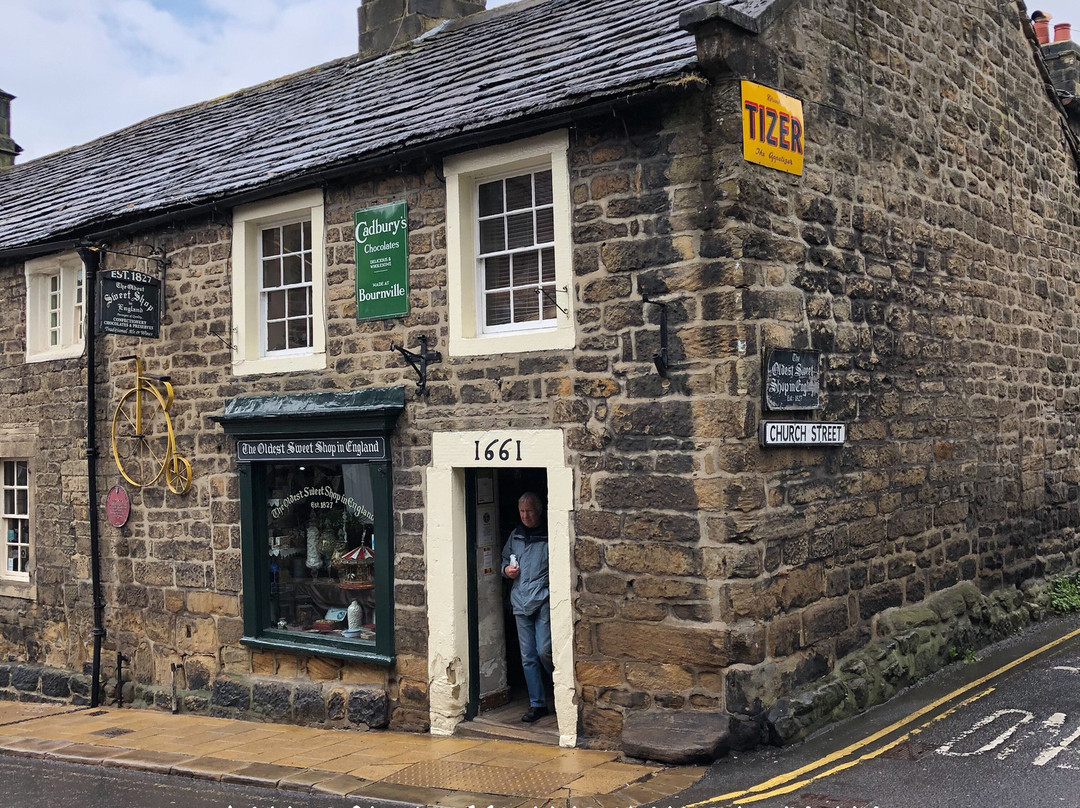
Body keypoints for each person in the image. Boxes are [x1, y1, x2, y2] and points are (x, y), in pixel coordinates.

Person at [501, 491, 552, 723]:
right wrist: (506, 571)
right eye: (522, 511)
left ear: (539, 511)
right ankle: (537, 703)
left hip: (542, 599)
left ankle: (557, 688)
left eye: (529, 511)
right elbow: (503, 560)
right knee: (528, 657)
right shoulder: (516, 536)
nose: (526, 515)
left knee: (544, 650)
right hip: (520, 600)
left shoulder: (548, 534)